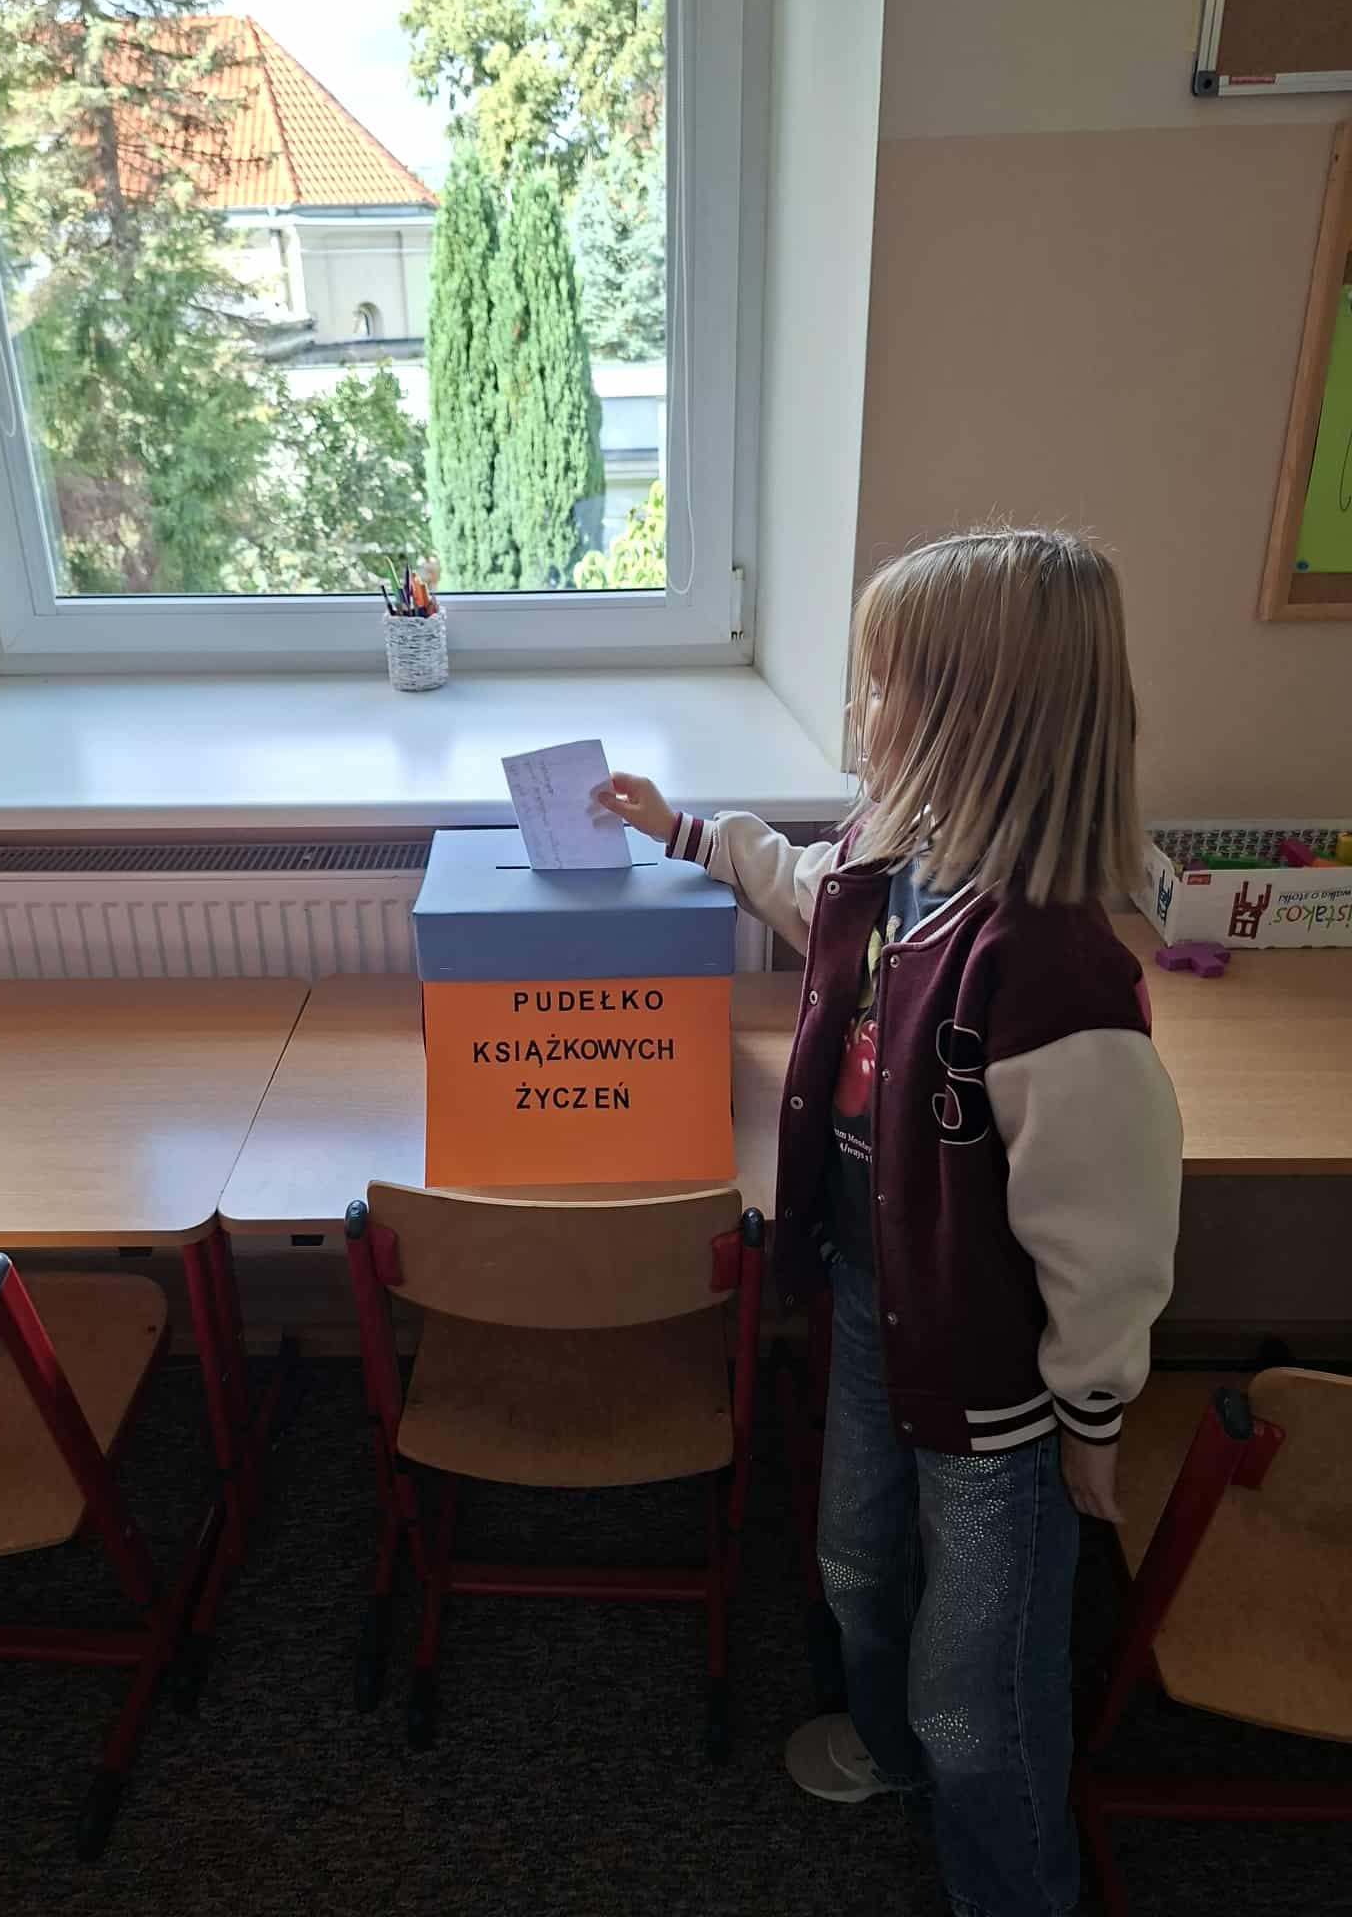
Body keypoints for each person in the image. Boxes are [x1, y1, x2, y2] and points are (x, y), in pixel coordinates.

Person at [596, 529, 1182, 1917]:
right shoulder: (890, 857)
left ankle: (1010, 1885)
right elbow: (810, 895)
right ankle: (894, 1748)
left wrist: (1094, 1418)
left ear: (977, 716)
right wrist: (689, 833)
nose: (857, 708)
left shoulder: (1054, 969)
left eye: (880, 683)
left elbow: (1107, 1238)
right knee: (856, 1557)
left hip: (996, 1385)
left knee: (983, 1687)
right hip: (874, 1295)